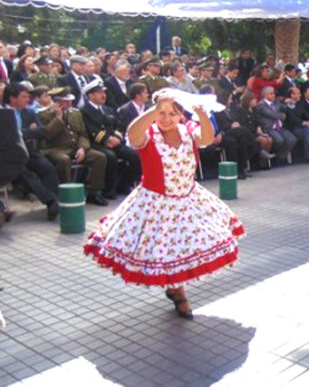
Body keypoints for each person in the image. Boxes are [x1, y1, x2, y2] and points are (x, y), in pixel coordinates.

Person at [84, 91, 245, 319]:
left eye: (173, 113)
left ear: (181, 115)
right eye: (161, 113)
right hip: (156, 203)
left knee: (187, 247)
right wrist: (154, 110)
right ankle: (179, 293)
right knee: (164, 250)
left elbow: (207, 139)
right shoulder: (148, 134)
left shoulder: (188, 130)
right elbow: (132, 134)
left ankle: (175, 287)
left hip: (188, 199)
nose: (166, 118)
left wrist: (201, 115)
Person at [38, 88, 109, 206]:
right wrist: (58, 118)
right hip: (55, 148)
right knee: (63, 160)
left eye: (70, 101)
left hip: (75, 147)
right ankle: (67, 193)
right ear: (57, 102)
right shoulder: (43, 115)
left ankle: (94, 192)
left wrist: (82, 148)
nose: (70, 103)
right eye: (66, 101)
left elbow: (83, 134)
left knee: (99, 157)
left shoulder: (76, 113)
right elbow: (47, 135)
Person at [4, 82, 61, 221]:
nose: (27, 100)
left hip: (29, 151)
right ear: (12, 98)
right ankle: (52, 201)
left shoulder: (28, 112)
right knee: (25, 173)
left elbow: (41, 132)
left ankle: (52, 202)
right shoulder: (3, 114)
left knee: (47, 167)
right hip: (8, 156)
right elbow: (6, 137)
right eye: (23, 97)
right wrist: (28, 132)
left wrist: (24, 133)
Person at [80, 79, 141, 197]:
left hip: (114, 141)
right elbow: (90, 130)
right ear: (91, 95)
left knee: (135, 156)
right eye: (99, 93)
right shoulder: (85, 111)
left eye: (104, 92)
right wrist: (107, 139)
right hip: (97, 143)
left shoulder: (107, 109)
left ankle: (124, 184)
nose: (104, 95)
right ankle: (108, 189)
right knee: (110, 157)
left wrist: (117, 137)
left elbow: (119, 125)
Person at [256, 86, 297, 162]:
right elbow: (271, 114)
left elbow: (285, 108)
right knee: (279, 140)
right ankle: (274, 156)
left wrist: (290, 103)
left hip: (280, 127)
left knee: (292, 139)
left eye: (273, 93)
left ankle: (280, 156)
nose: (273, 95)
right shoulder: (261, 105)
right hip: (270, 128)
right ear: (265, 95)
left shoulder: (276, 102)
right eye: (271, 94)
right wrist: (282, 115)